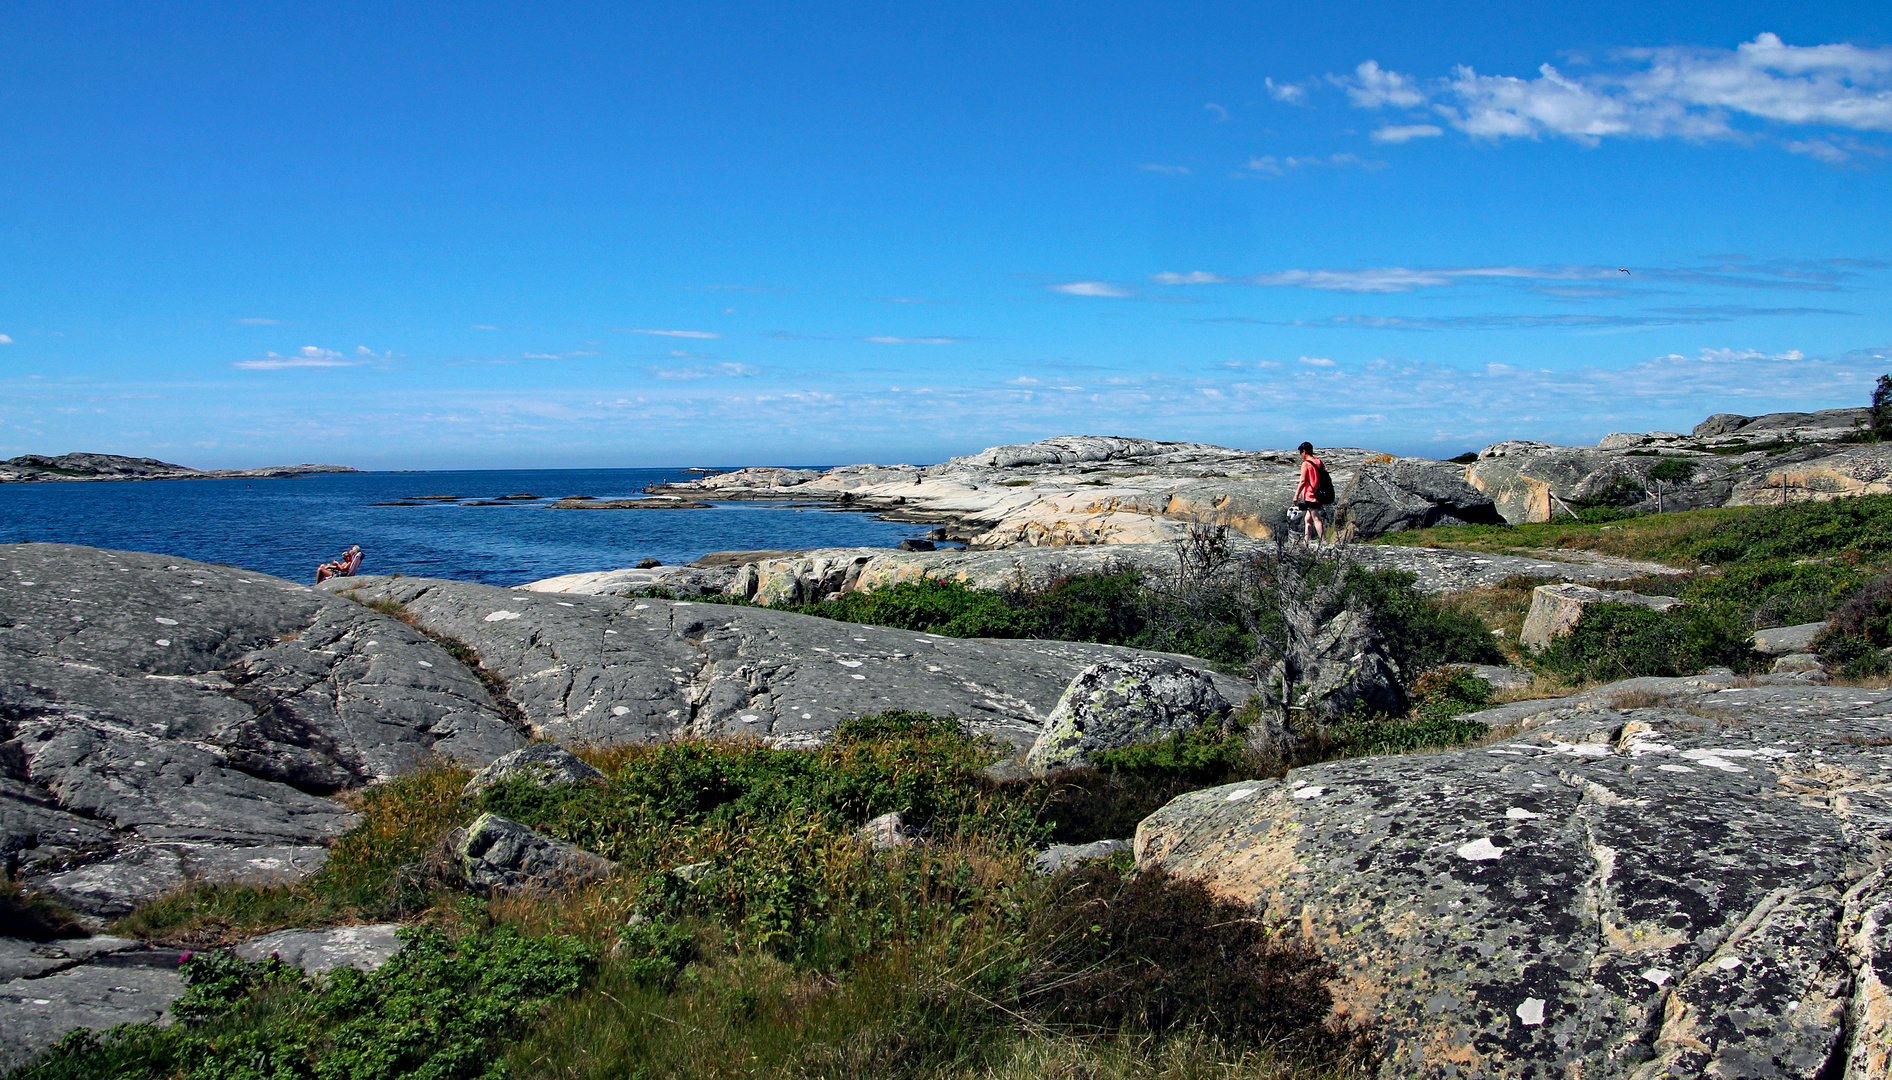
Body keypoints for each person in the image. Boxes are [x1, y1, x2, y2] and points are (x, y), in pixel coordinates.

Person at [1295, 442, 1328, 544]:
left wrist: (1296, 495)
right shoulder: (1319, 462)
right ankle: (1306, 540)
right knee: (1308, 519)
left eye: (1301, 453)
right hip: (1320, 494)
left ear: (1304, 452)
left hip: (1310, 495)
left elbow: (1303, 481)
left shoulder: (1306, 464)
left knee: (1316, 518)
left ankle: (1323, 541)